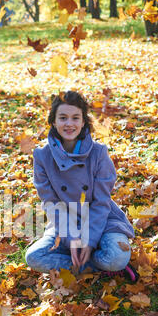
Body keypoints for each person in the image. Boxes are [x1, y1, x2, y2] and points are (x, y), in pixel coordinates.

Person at [25, 90, 138, 282]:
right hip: (63, 224)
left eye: (75, 118)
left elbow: (101, 202)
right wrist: (73, 240)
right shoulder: (42, 156)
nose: (69, 124)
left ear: (83, 121)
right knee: (34, 257)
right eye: (63, 118)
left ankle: (101, 261)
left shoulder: (99, 154)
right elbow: (51, 203)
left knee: (118, 256)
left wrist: (89, 241)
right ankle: (98, 265)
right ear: (53, 121)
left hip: (102, 221)